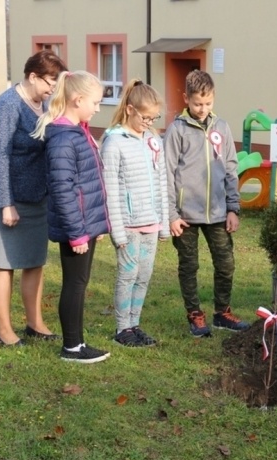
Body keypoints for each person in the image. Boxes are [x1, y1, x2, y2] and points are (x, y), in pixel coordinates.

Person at [0, 50, 66, 347]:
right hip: (8, 198)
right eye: (50, 82)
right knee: (3, 264)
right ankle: (4, 330)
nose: (52, 88)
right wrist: (6, 204)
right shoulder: (7, 106)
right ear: (32, 76)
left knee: (34, 261)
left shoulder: (45, 104)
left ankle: (35, 323)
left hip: (37, 197)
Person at [32, 71, 111, 363]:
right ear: (78, 100)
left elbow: (88, 183)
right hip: (74, 227)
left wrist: (94, 226)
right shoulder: (64, 139)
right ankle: (72, 347)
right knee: (75, 284)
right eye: (95, 102)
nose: (98, 108)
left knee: (80, 282)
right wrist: (77, 234)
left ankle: (77, 343)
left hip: (84, 225)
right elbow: (63, 191)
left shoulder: (79, 132)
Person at [163, 70, 250, 337]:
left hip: (219, 213)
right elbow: (166, 173)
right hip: (185, 216)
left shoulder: (221, 127)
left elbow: (231, 168)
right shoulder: (177, 130)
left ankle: (222, 313)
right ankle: (195, 314)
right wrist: (171, 214)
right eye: (198, 103)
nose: (203, 109)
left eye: (208, 103)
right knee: (189, 266)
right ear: (186, 99)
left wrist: (233, 208)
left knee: (226, 264)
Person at [101, 80, 170, 347]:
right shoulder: (114, 143)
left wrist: (164, 223)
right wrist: (117, 232)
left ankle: (135, 323)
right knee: (128, 275)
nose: (149, 122)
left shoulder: (154, 141)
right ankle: (122, 329)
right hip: (128, 226)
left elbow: (162, 181)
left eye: (154, 118)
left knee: (144, 275)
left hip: (151, 223)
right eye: (145, 117)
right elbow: (110, 189)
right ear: (130, 109)